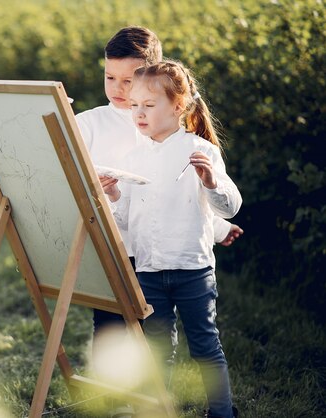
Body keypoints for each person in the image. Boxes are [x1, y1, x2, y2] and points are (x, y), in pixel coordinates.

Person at [75, 25, 243, 349]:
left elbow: (175, 194)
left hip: (156, 254)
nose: (119, 88)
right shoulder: (89, 123)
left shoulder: (161, 122)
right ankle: (109, 398)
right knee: (110, 328)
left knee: (150, 337)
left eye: (129, 79)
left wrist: (217, 227)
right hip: (113, 246)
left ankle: (148, 398)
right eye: (110, 77)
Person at [101, 60, 241, 418]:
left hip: (192, 270)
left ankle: (222, 412)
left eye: (149, 105)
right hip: (148, 271)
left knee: (206, 346)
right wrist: (115, 196)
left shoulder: (200, 151)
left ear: (178, 106)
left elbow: (230, 207)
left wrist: (211, 183)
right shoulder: (132, 158)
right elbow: (126, 223)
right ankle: (157, 410)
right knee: (157, 350)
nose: (139, 113)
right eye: (134, 106)